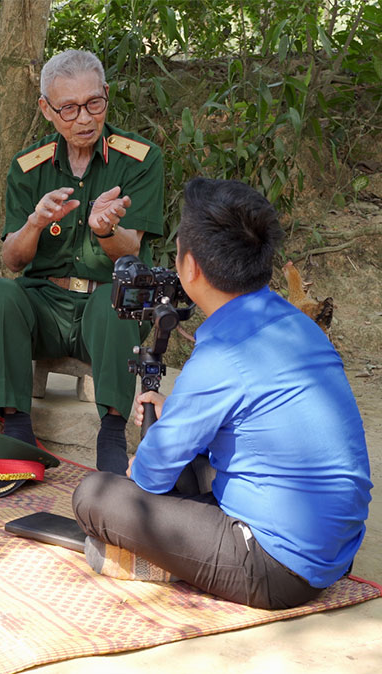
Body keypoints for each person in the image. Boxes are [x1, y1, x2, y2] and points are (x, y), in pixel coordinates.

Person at [71, 178, 372, 609]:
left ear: (189, 266)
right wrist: (176, 414)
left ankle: (154, 564)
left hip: (278, 569)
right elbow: (257, 418)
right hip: (336, 548)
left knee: (95, 495)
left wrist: (150, 457)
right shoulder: (294, 322)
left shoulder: (222, 356)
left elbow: (150, 477)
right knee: (186, 468)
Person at [0, 49, 164, 473]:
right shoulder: (28, 167)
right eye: (69, 108)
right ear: (46, 109)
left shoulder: (141, 159)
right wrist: (35, 224)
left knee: (116, 300)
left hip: (107, 310)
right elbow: (13, 261)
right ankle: (17, 424)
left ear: (106, 97)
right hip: (45, 304)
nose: (84, 118)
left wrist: (104, 230)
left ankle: (112, 432)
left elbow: (131, 249)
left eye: (94, 103)